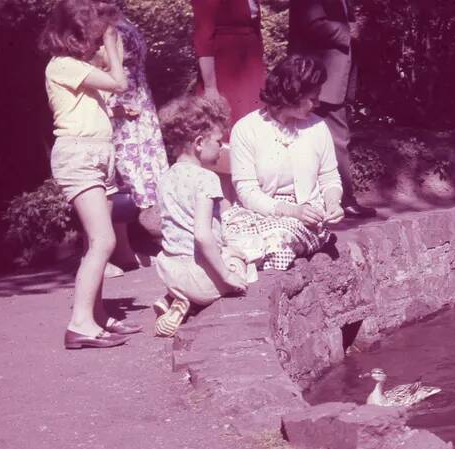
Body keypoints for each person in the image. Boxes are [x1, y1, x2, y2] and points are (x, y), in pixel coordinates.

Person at [41, 0, 141, 349]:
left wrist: (116, 112)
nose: (101, 44)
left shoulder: (77, 70)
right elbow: (119, 81)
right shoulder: (63, 65)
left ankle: (96, 316)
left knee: (93, 242)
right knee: (105, 241)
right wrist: (113, 46)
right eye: (96, 37)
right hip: (79, 156)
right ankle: (79, 324)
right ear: (77, 35)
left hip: (98, 155)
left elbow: (92, 106)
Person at [225, 54, 342, 271]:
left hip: (305, 216)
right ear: (292, 94)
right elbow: (247, 191)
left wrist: (333, 203)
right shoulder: (246, 129)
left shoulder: (317, 127)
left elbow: (329, 177)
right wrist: (287, 210)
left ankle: (235, 271)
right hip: (257, 210)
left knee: (277, 241)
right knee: (228, 238)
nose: (317, 103)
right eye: (312, 97)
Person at [152, 95, 249, 337]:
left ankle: (174, 299)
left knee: (211, 257)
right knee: (238, 258)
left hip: (170, 271)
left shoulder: (167, 177)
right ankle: (194, 300)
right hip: (200, 278)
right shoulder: (206, 179)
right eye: (218, 141)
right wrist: (228, 276)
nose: (222, 146)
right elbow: (203, 236)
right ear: (198, 142)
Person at [288, 0, 376, 218]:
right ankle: (342, 200)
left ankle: (330, 200)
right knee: (336, 139)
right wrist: (349, 30)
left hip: (333, 78)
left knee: (327, 139)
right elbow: (312, 26)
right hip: (318, 77)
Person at [103, 0, 169, 270]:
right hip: (120, 109)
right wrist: (113, 109)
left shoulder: (122, 20)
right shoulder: (99, 27)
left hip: (139, 106)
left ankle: (138, 245)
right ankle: (121, 249)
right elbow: (103, 70)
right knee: (123, 177)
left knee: (142, 176)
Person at [191, 0, 266, 127]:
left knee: (257, 116)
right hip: (224, 65)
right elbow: (203, 37)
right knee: (229, 118)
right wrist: (210, 87)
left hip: (251, 63)